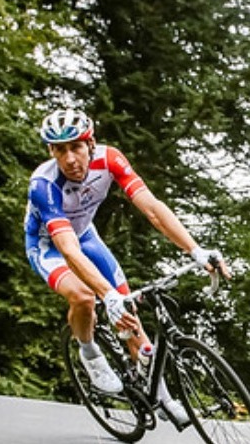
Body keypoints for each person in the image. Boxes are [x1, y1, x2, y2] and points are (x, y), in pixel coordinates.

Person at [23, 109, 222, 426]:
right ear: (51, 152)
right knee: (85, 297)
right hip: (49, 246)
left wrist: (196, 250)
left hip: (87, 235)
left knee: (129, 315)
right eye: (60, 150)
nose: (70, 158)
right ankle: (90, 355)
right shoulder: (43, 185)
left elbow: (153, 210)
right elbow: (68, 249)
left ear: (91, 143)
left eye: (76, 146)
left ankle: (162, 398)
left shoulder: (110, 160)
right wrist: (106, 294)